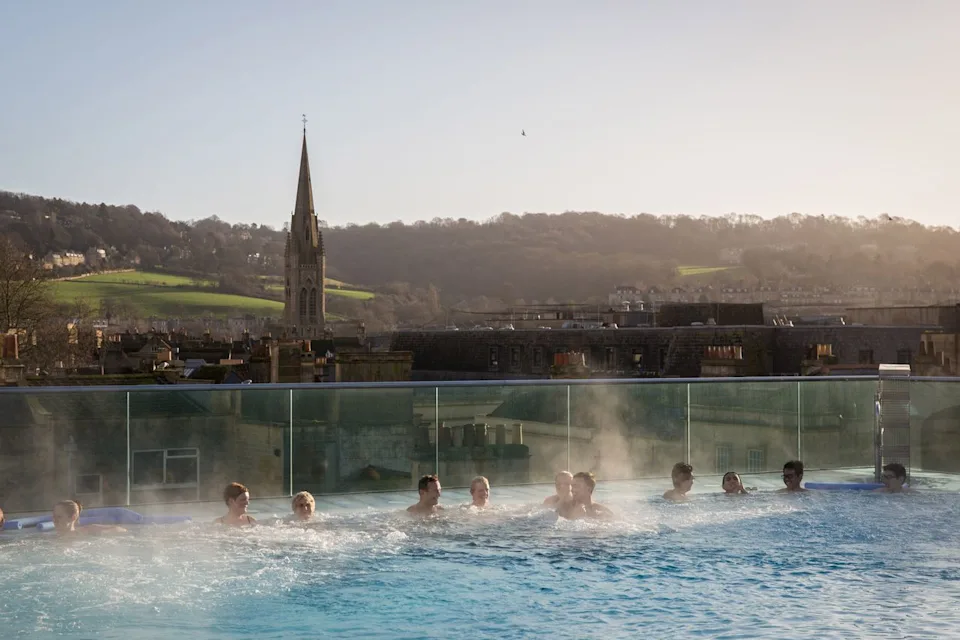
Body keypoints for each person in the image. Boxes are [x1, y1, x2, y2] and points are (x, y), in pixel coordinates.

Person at [52, 500, 126, 535]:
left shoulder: (87, 531)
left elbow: (121, 529)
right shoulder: (52, 538)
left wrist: (102, 533)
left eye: (59, 517)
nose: (54, 520)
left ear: (73, 517)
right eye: (53, 516)